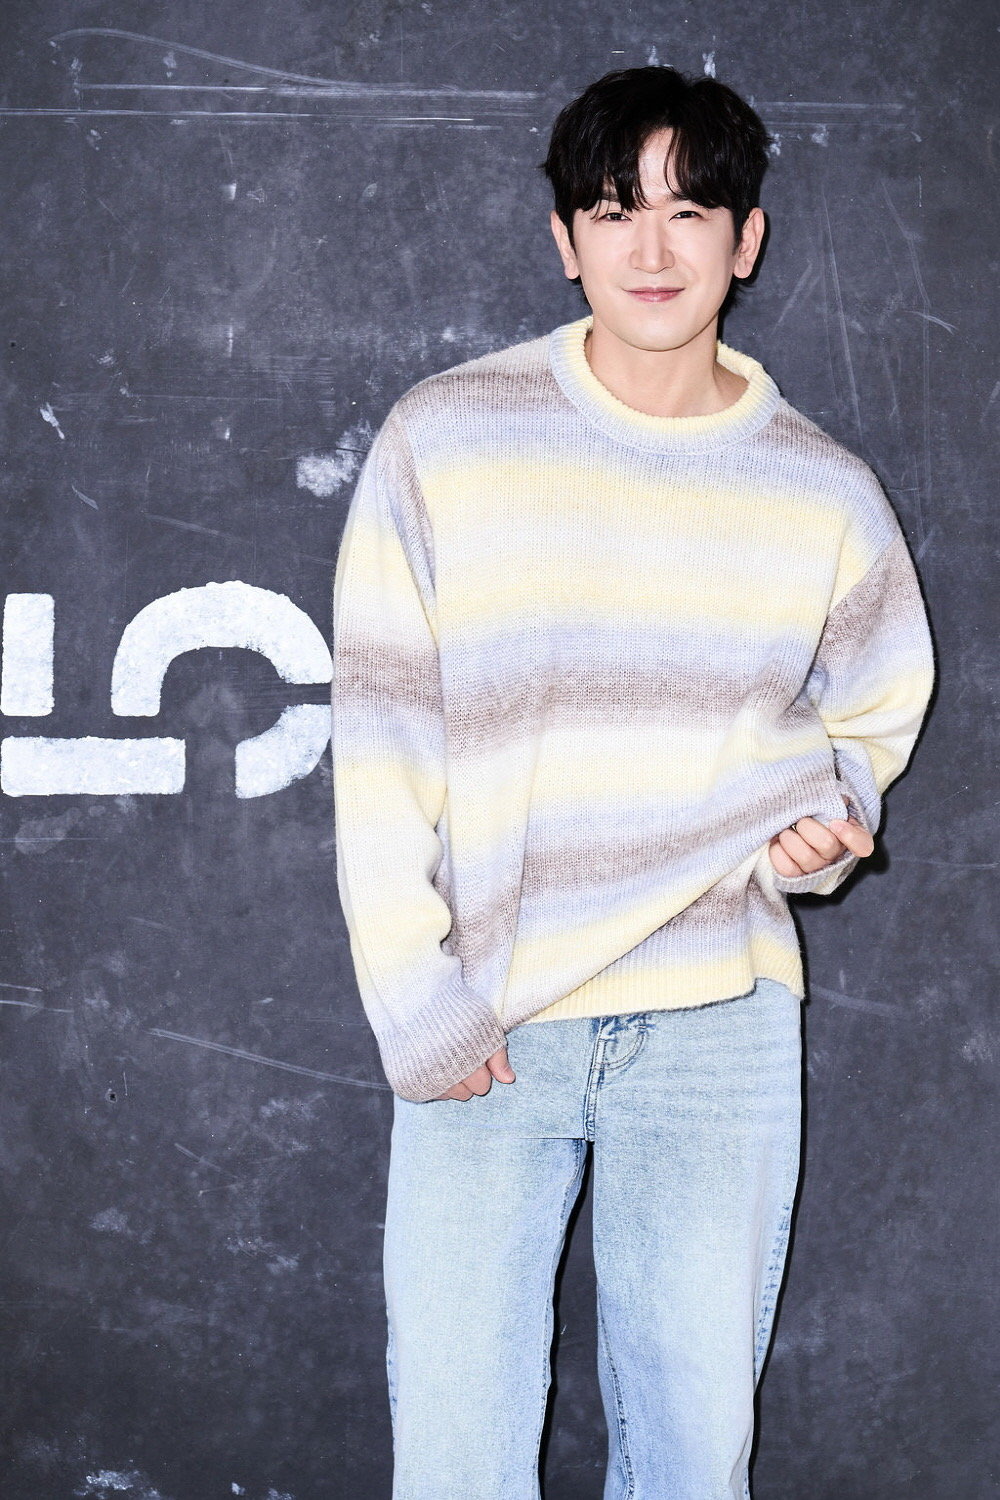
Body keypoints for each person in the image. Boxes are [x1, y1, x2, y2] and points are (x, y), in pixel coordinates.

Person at [331, 64, 935, 1500]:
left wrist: (828, 827)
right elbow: (383, 741)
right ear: (564, 240)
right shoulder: (447, 438)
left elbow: (872, 716)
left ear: (748, 238)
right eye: (613, 211)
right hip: (490, 1018)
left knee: (690, 1466)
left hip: (719, 1026)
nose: (651, 248)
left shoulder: (822, 491)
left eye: (689, 210)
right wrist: (416, 1000)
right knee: (455, 1466)